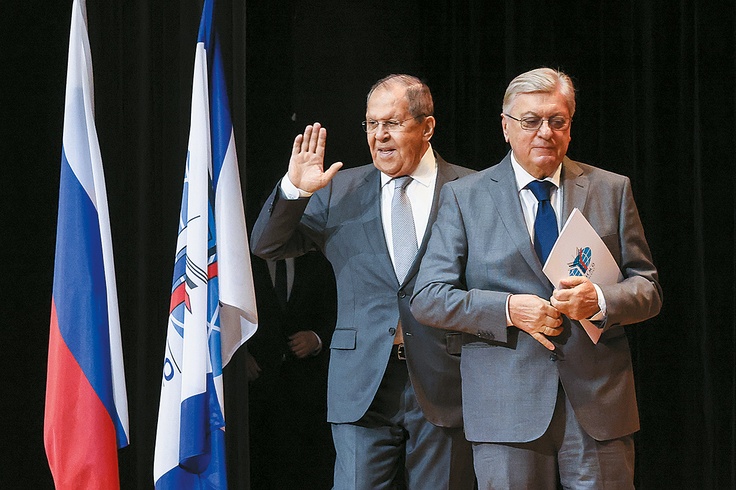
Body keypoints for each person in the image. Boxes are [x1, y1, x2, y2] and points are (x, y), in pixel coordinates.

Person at [411, 67, 663, 489]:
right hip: (505, 407)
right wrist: (509, 309)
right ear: (506, 127)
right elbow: (428, 297)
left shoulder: (611, 189)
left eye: (557, 121)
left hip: (598, 402)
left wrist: (600, 300)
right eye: (531, 121)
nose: (545, 132)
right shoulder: (465, 197)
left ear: (570, 126)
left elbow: (648, 289)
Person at [250, 74, 475, 489]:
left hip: (445, 379)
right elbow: (267, 245)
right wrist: (295, 190)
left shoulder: (471, 189)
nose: (379, 136)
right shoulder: (339, 190)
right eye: (372, 124)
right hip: (361, 385)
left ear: (427, 127)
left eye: (392, 123)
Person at [246, 251, 337, 489]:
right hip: (256, 388)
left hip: (305, 392)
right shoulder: (244, 261)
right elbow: (228, 313)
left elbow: (333, 311)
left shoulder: (316, 261)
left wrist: (316, 338)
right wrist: (241, 357)